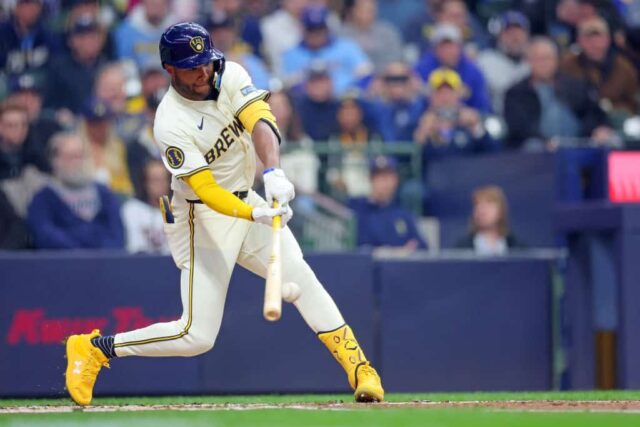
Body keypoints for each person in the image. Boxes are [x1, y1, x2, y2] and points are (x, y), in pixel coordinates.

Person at [64, 22, 383, 406]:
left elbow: (260, 122)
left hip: (247, 199)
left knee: (302, 278)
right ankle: (95, 348)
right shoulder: (170, 122)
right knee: (196, 336)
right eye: (191, 66)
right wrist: (253, 213)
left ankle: (360, 369)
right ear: (170, 69)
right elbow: (208, 191)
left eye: (205, 62)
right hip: (202, 219)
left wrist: (273, 171)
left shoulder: (229, 73)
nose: (202, 72)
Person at [504, 37, 613, 149]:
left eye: (547, 58)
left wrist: (600, 129)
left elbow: (595, 113)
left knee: (610, 140)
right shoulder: (516, 93)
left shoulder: (575, 86)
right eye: (538, 59)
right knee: (532, 146)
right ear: (528, 61)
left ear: (556, 60)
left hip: (578, 143)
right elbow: (519, 128)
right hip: (540, 149)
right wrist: (545, 142)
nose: (544, 63)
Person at [27, 132, 125, 250]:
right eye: (69, 157)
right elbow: (45, 235)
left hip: (104, 262)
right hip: (64, 263)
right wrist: (80, 252)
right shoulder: (43, 198)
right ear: (55, 160)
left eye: (79, 156)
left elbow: (117, 233)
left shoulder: (104, 193)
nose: (76, 163)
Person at [282, 5, 372, 96]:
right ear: (303, 30)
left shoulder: (347, 47)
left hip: (345, 101)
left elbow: (366, 75)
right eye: (311, 30)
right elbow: (290, 84)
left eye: (319, 29)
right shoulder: (292, 54)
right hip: (309, 104)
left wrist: (352, 92)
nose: (316, 35)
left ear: (327, 29)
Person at [560, 16, 639, 118]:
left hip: (616, 119)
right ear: (579, 41)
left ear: (608, 39)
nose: (594, 44)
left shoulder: (624, 67)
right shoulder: (567, 65)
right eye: (588, 39)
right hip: (580, 117)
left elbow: (633, 99)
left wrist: (616, 110)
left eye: (598, 38)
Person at [348, 155, 427, 250]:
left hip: (399, 265)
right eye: (379, 177)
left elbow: (421, 247)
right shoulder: (358, 209)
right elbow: (357, 247)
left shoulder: (403, 215)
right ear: (371, 179)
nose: (384, 182)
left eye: (388, 176)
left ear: (395, 180)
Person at [413, 68, 497, 157]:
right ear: (431, 96)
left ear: (458, 94)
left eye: (449, 92)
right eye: (439, 93)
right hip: (437, 169)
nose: (445, 98)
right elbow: (410, 160)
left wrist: (476, 127)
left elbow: (494, 155)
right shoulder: (421, 120)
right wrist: (422, 135)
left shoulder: (469, 120)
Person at [414, 23, 491, 112]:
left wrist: (473, 116)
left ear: (460, 47)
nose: (448, 51)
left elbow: (483, 106)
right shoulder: (421, 69)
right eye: (443, 46)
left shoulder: (473, 72)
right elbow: (415, 105)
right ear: (434, 49)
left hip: (464, 119)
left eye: (451, 46)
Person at [476, 11, 531, 114]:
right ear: (499, 36)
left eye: (519, 32)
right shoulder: (485, 61)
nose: (515, 38)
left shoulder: (535, 61)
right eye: (509, 33)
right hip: (497, 119)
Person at [78, 98, 134, 196]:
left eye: (103, 123)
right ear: (86, 125)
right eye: (95, 124)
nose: (100, 128)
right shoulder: (76, 148)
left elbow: (127, 186)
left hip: (115, 199)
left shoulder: (118, 148)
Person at [455, 185, 524, 255]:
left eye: (489, 203)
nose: (482, 210)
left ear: (501, 210)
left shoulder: (518, 249)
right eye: (477, 204)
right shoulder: (460, 251)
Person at [121, 159, 170, 254]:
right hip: (140, 264)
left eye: (164, 179)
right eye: (155, 180)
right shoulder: (132, 209)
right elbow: (133, 248)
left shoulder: (175, 211)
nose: (160, 185)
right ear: (145, 183)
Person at [339, 0, 403, 72]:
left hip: (384, 79)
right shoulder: (341, 34)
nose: (370, 13)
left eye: (372, 9)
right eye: (365, 9)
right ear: (352, 11)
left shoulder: (387, 32)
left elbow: (395, 60)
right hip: (352, 79)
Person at [113, 0, 177, 71]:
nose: (155, 7)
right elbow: (124, 64)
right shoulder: (126, 32)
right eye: (152, 4)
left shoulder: (177, 31)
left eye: (158, 4)